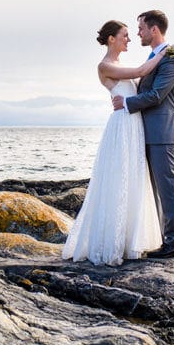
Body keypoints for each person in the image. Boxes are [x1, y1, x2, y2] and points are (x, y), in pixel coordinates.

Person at [62, 20, 165, 266]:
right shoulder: (105, 65)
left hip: (133, 126)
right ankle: (112, 242)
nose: (129, 39)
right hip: (121, 127)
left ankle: (131, 240)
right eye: (125, 35)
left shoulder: (119, 64)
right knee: (119, 178)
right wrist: (166, 52)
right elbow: (142, 71)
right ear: (111, 39)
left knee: (133, 178)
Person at [112, 9, 174, 259]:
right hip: (148, 132)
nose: (138, 33)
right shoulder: (156, 57)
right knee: (155, 189)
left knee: (169, 188)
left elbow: (157, 95)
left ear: (154, 29)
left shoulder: (172, 58)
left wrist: (126, 104)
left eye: (141, 28)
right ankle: (162, 239)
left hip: (164, 131)